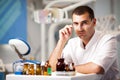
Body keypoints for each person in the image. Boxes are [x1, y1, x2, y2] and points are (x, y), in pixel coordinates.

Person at [49, 6, 119, 80]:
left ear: (94, 22)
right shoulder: (72, 43)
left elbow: (97, 68)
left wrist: (66, 68)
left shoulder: (108, 40)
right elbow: (52, 67)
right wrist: (61, 41)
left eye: (84, 23)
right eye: (76, 23)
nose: (80, 29)